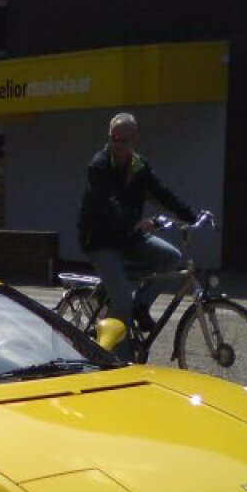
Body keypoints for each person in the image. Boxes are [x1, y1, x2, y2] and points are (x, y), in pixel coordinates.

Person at [77, 112, 195, 359]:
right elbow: (109, 203)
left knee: (170, 258)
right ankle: (119, 360)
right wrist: (135, 223)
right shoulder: (98, 166)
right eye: (114, 139)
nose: (118, 145)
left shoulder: (139, 166)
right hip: (100, 241)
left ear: (135, 140)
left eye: (124, 140)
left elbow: (162, 193)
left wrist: (190, 215)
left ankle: (141, 305)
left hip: (128, 237)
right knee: (121, 299)